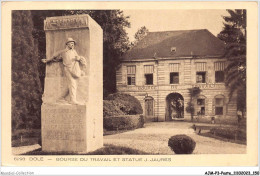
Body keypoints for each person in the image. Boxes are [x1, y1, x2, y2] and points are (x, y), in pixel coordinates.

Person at [42, 38, 86, 105]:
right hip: (68, 69)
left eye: (73, 43)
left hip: (74, 70)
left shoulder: (74, 51)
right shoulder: (63, 52)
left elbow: (78, 58)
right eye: (71, 43)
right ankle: (72, 100)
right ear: (67, 44)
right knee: (72, 84)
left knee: (71, 85)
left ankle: (60, 98)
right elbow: (55, 56)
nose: (72, 45)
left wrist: (79, 58)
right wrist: (48, 60)